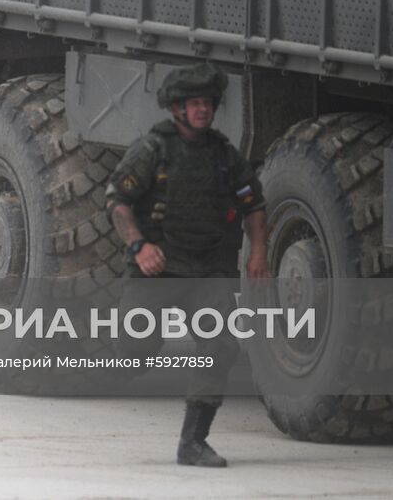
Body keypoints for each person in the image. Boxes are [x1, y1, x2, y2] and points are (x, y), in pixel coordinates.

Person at [104, 63, 269, 467]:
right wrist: (140, 245)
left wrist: (258, 252)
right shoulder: (152, 150)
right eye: (194, 104)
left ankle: (193, 442)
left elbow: (254, 206)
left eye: (208, 104)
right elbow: (117, 202)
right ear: (177, 108)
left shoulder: (225, 156)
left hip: (209, 269)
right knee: (134, 347)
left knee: (219, 345)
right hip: (156, 268)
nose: (203, 110)